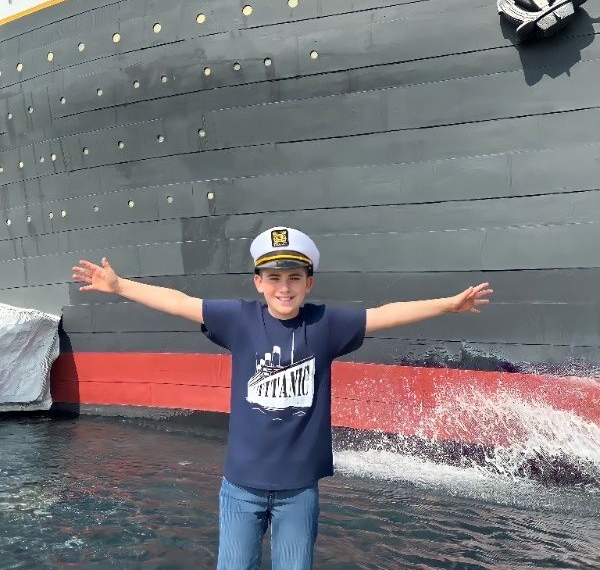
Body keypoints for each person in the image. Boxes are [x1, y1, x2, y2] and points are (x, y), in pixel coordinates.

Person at [72, 226, 492, 570]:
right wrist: (119, 285)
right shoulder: (239, 320)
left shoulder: (326, 324)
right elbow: (182, 303)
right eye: (273, 277)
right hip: (240, 488)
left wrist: (449, 305)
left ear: (309, 282)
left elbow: (384, 314)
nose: (284, 288)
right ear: (259, 282)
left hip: (298, 491)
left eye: (293, 278)